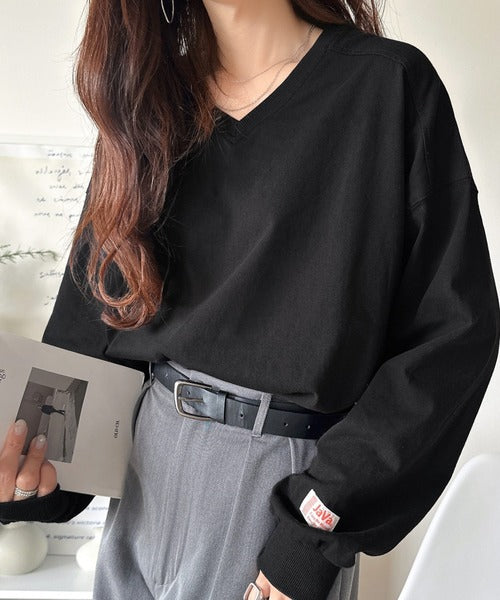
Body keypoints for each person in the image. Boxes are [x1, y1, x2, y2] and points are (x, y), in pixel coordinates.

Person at [0, 1, 499, 599]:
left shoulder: (386, 85)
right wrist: (33, 474)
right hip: (143, 472)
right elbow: (92, 326)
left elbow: (452, 336)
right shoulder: (149, 103)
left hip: (276, 487)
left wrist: (312, 533)